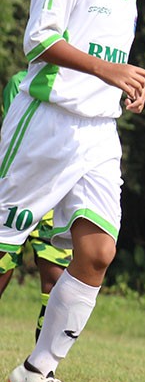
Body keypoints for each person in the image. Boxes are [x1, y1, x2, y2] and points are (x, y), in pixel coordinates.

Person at [1, 0, 145, 382]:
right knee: (4, 246)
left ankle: (37, 371)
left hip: (98, 135)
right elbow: (40, 42)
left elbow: (107, 71)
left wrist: (126, 89)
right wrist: (107, 70)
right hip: (46, 124)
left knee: (98, 253)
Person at [0, 72, 74, 341]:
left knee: (56, 289)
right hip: (15, 196)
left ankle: (39, 370)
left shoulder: (78, 89)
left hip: (53, 202)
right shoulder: (20, 83)